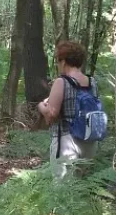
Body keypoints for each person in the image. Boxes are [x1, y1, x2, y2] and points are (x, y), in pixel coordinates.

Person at [37, 41, 100, 180]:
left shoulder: (62, 82)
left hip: (67, 142)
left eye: (58, 60)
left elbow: (51, 115)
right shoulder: (92, 82)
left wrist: (41, 105)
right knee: (78, 187)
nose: (58, 64)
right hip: (89, 142)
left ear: (64, 61)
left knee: (62, 191)